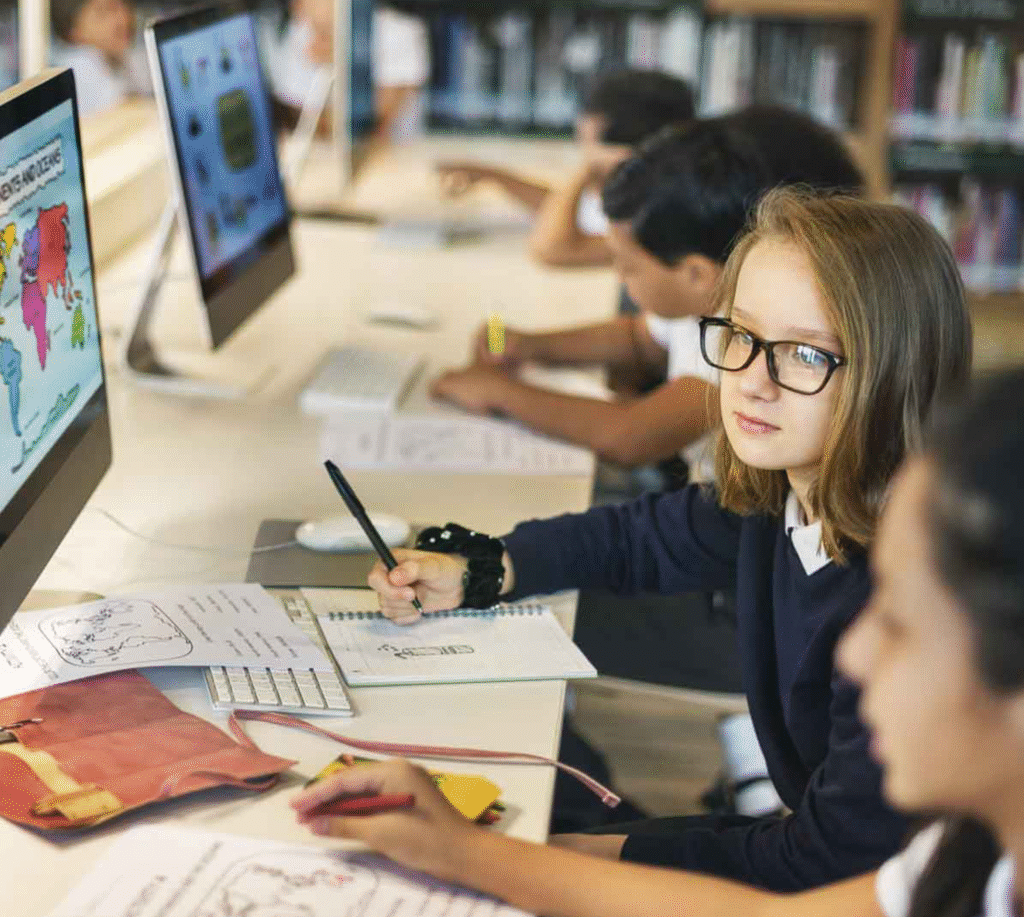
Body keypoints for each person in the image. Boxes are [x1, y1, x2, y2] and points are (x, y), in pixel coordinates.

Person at [307, 188, 974, 890]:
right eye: (740, 336)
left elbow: (823, 865)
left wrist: (545, 858)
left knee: (519, 843)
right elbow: (638, 538)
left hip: (843, 889)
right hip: (802, 850)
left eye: (805, 354)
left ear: (892, 374)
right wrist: (483, 568)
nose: (751, 381)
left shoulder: (909, 608)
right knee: (534, 817)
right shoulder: (785, 493)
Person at [292, 366, 1024, 917]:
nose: (858, 651)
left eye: (898, 623)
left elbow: (803, 875)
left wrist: (500, 854)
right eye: (735, 338)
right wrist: (471, 851)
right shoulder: (970, 857)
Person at [433, 108, 863, 480]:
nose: (618, 278)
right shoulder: (705, 294)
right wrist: (529, 344)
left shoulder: (745, 343)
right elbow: (640, 339)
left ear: (697, 273)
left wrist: (500, 392)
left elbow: (629, 437)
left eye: (628, 267)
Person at [438, 68, 695, 268]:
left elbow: (552, 249)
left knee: (493, 324)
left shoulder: (654, 211)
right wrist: (491, 175)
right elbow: (567, 211)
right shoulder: (638, 184)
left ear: (603, 125)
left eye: (587, 114)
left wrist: (586, 169)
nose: (579, 124)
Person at [263, 0, 430, 141]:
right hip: (322, 163)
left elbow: (370, 122)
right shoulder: (300, 33)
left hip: (395, 161)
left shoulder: (401, 32)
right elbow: (296, 115)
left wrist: (340, 59)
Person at [50, 0, 151, 117]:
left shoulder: (117, 52)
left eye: (121, 6)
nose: (122, 19)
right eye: (103, 13)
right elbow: (131, 112)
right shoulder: (78, 66)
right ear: (73, 30)